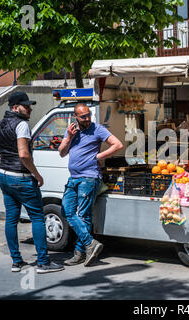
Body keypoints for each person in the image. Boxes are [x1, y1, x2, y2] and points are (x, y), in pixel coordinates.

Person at [0, 91, 64, 274]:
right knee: (37, 217)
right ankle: (43, 262)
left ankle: (16, 261)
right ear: (15, 108)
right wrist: (36, 175)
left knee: (11, 219)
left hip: (5, 176)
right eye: (26, 106)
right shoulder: (21, 125)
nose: (29, 109)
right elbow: (23, 154)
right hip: (21, 178)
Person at [58, 103, 123, 267]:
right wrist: (68, 137)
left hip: (89, 177)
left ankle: (80, 253)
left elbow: (117, 144)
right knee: (67, 211)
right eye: (83, 116)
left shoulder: (98, 129)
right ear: (76, 117)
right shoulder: (72, 131)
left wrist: (98, 156)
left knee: (84, 215)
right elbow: (61, 152)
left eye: (88, 115)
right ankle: (90, 243)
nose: (87, 119)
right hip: (73, 178)